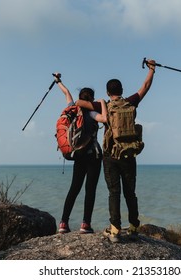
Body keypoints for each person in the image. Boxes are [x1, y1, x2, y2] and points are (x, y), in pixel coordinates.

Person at [101, 59, 156, 242]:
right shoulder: (131, 102)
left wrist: (100, 102)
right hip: (129, 154)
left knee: (114, 192)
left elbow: (79, 103)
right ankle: (133, 228)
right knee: (130, 193)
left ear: (108, 92)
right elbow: (145, 86)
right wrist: (152, 69)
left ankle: (115, 230)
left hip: (111, 155)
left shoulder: (105, 106)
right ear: (122, 91)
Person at [54, 73, 108, 234]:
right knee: (90, 190)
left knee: (74, 188)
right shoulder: (91, 113)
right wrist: (103, 102)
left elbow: (66, 93)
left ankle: (63, 223)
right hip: (93, 156)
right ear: (90, 99)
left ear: (80, 98)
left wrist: (58, 81)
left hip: (77, 155)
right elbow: (104, 119)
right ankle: (85, 224)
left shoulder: (73, 109)